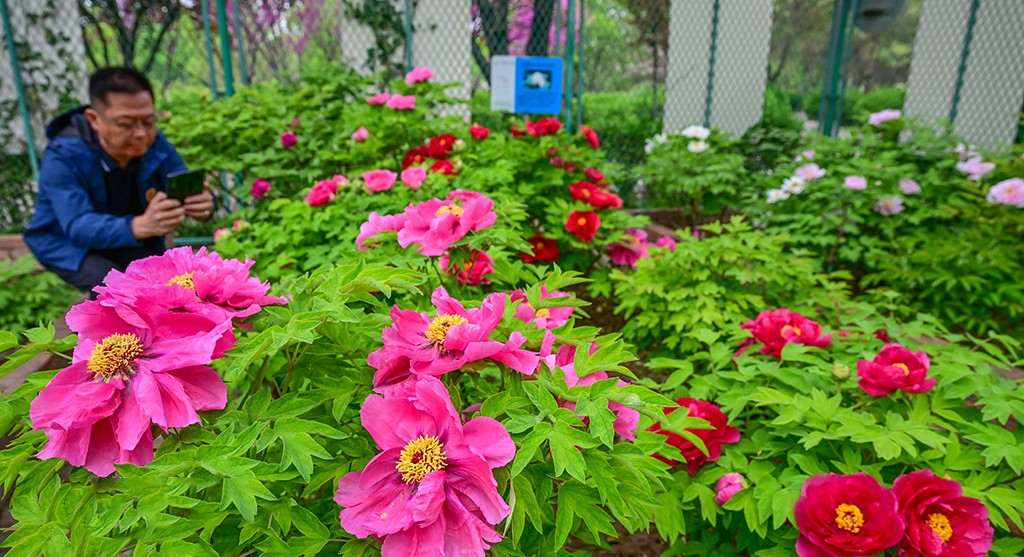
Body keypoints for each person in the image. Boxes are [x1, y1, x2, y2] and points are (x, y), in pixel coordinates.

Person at [24, 67, 214, 296]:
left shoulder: (154, 143)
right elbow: (78, 226)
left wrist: (202, 205)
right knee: (113, 287)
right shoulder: (63, 155)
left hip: (134, 236)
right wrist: (138, 226)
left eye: (149, 121)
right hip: (66, 242)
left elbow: (188, 188)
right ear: (94, 119)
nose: (141, 133)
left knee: (162, 283)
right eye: (126, 123)